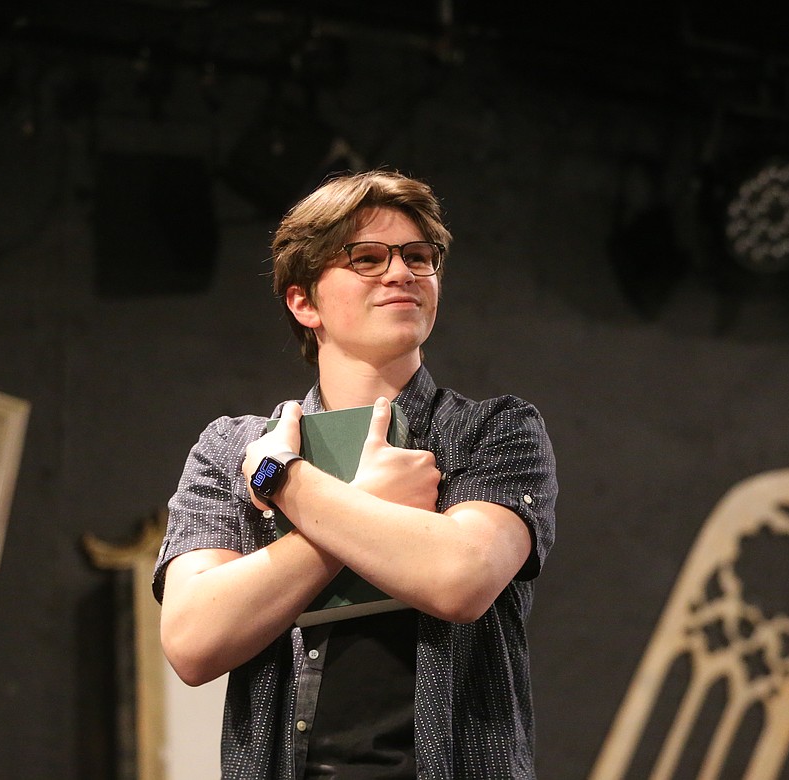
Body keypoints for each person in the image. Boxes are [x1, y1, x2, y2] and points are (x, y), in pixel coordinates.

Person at [154, 169, 558, 779]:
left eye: (419, 258)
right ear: (303, 301)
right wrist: (364, 500)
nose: (402, 273)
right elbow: (192, 639)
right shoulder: (230, 448)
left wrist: (288, 483)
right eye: (367, 259)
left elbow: (460, 578)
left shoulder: (493, 430)